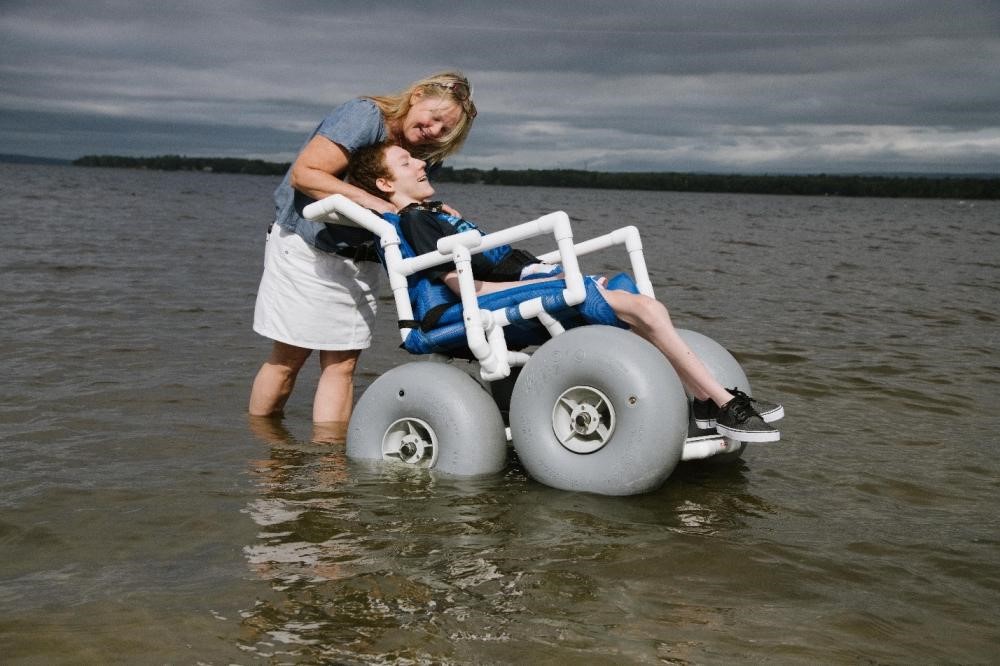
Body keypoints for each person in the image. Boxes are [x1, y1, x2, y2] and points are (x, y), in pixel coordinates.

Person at [346, 142, 785, 442]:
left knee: (633, 299)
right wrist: (546, 283)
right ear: (385, 184)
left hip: (499, 290)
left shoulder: (434, 214)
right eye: (406, 163)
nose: (421, 164)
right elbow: (462, 286)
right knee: (638, 307)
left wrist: (542, 275)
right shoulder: (416, 222)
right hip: (467, 308)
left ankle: (707, 402)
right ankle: (719, 402)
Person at [249, 72, 478, 434]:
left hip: (361, 257)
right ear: (416, 95)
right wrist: (375, 206)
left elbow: (400, 198)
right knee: (288, 359)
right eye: (434, 118)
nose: (434, 130)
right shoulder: (365, 116)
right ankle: (266, 448)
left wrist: (430, 210)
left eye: (444, 129)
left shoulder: (425, 152)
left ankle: (330, 465)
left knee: (343, 364)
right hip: (307, 248)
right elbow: (305, 174)